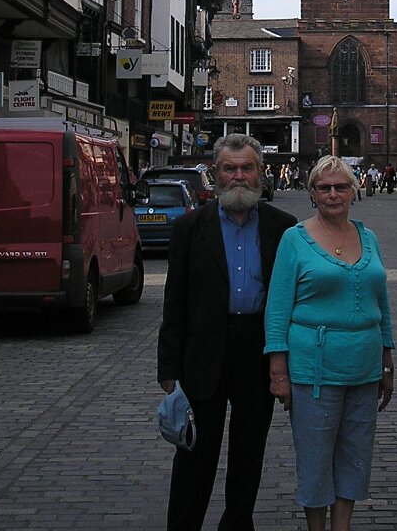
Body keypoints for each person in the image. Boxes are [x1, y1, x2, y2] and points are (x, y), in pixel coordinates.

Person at [157, 133, 298, 531]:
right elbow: (175, 299)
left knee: (249, 453)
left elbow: (291, 300)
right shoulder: (190, 227)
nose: (238, 176)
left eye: (246, 168)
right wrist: (169, 369)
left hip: (258, 348)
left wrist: (288, 362)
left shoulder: (283, 228)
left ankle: (237, 524)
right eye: (229, 169)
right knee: (195, 453)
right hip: (203, 352)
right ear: (216, 174)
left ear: (260, 173)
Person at [265, 156, 395, 531]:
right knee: (316, 459)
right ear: (312, 193)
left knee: (355, 456)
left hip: (364, 368)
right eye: (324, 188)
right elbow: (277, 310)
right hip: (314, 370)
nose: (333, 194)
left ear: (354, 191)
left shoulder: (368, 237)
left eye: (341, 187)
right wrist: (278, 371)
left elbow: (382, 304)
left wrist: (387, 361)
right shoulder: (294, 239)